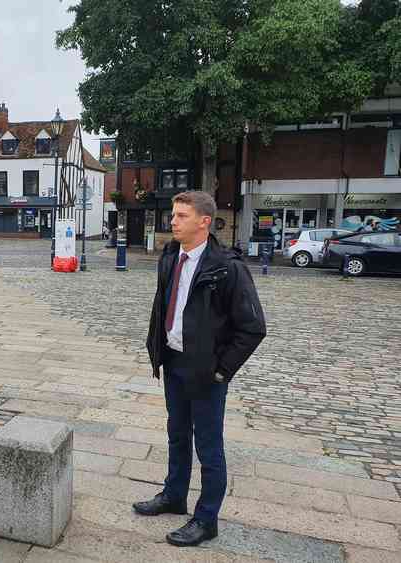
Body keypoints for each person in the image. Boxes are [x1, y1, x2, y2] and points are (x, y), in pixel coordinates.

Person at [135, 191, 266, 547]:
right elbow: (164, 306)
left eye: (181, 216)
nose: (173, 221)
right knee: (177, 435)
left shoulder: (227, 267)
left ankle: (206, 518)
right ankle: (174, 495)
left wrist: (222, 371)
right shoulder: (169, 256)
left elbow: (253, 327)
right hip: (174, 361)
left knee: (209, 447)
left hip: (207, 373)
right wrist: (157, 348)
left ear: (203, 221)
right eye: (173, 215)